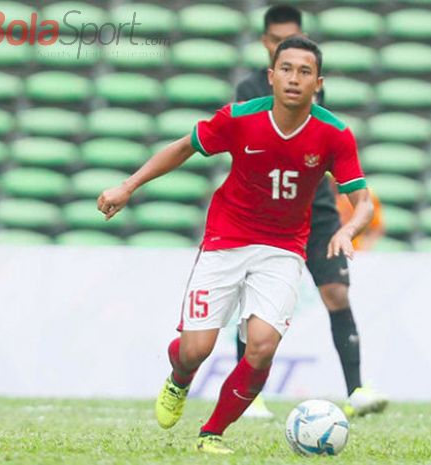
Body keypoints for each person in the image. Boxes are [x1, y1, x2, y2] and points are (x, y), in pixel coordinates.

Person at [97, 37, 374, 455]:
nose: (294, 79)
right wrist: (128, 185)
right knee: (196, 350)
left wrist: (346, 229)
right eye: (286, 69)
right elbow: (183, 147)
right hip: (227, 239)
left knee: (261, 347)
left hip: (283, 249)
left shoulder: (333, 134)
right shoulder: (241, 118)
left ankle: (212, 433)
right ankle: (179, 380)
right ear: (271, 76)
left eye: (304, 72)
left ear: (318, 82)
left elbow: (364, 202)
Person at [235, 3, 387, 419]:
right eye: (279, 41)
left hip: (315, 207)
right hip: (265, 212)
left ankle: (356, 390)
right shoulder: (249, 91)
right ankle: (248, 396)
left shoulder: (314, 90)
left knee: (336, 292)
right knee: (255, 304)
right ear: (266, 45)